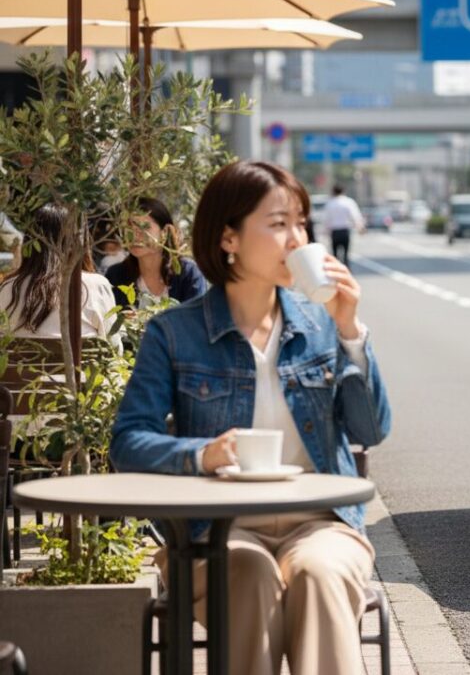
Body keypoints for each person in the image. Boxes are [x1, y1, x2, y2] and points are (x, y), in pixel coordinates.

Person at [110, 161, 391, 675]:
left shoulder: (321, 325)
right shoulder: (174, 334)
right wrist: (201, 454)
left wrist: (351, 332)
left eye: (302, 223)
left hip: (321, 524)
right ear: (228, 238)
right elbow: (128, 441)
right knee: (249, 572)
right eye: (280, 223)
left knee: (319, 573)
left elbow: (371, 431)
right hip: (216, 529)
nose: (297, 238)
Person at [0, 204, 116, 340]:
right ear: (77, 242)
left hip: (22, 361)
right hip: (82, 362)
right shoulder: (96, 286)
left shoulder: (8, 288)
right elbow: (114, 345)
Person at [105, 197, 207, 309]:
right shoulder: (115, 275)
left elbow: (197, 320)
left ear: (164, 232)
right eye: (129, 227)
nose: (135, 234)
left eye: (145, 227)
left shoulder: (188, 274)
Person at [323, 185, 364, 266]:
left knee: (334, 255)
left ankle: (335, 273)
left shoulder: (330, 203)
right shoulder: (348, 202)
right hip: (345, 231)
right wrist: (360, 227)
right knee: (345, 254)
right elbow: (355, 216)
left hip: (335, 232)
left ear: (333, 192)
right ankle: (346, 270)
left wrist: (325, 231)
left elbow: (326, 219)